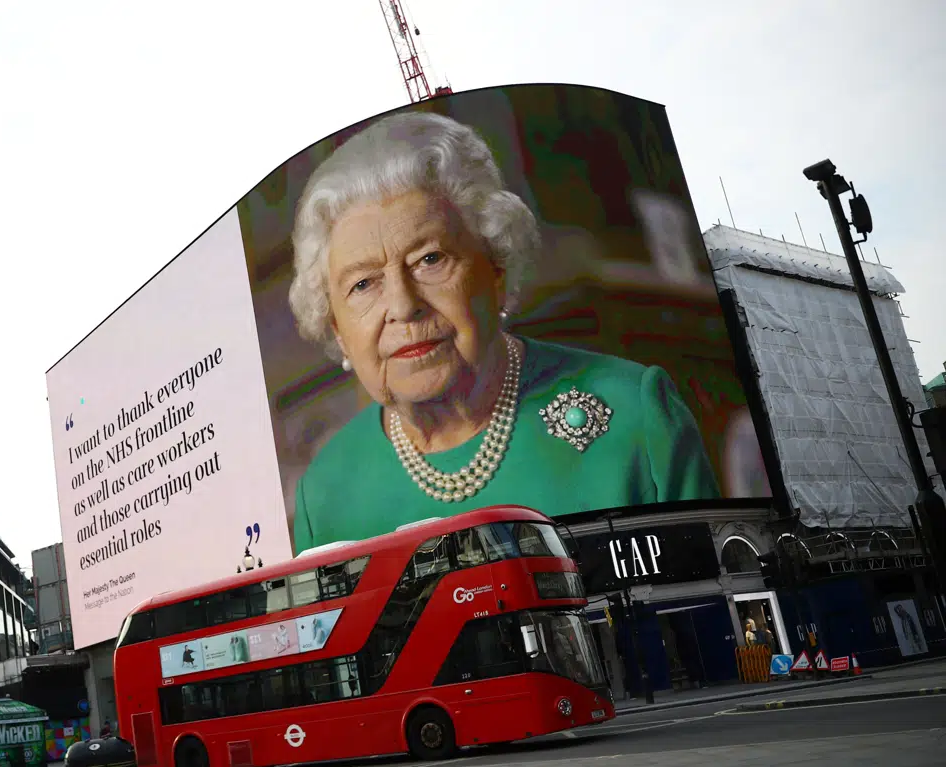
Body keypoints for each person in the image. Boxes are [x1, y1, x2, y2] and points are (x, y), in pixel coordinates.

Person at [286, 111, 720, 552]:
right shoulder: (323, 495)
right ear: (337, 329)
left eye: (430, 259)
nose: (402, 306)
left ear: (495, 267)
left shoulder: (635, 412)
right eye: (363, 284)